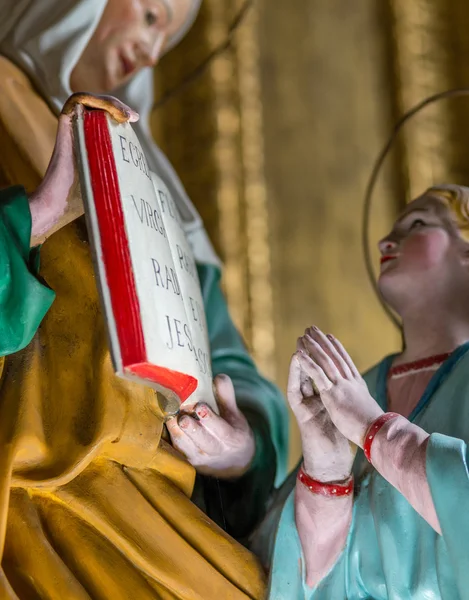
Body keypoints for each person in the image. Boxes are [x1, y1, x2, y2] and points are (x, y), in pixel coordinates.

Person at [0, 1, 288, 598]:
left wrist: (239, 447)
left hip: (154, 505)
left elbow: (235, 373)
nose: (153, 52)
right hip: (27, 485)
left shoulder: (157, 190)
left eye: (171, 37)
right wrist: (36, 216)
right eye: (153, 15)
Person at [258, 184, 469, 598]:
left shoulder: (355, 400)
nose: (385, 241)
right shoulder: (356, 385)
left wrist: (376, 430)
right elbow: (292, 573)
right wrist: (326, 472)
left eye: (419, 224)